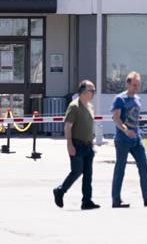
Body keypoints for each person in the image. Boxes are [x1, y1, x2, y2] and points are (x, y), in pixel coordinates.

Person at [110, 71, 147, 208]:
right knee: (120, 169)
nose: (136, 88)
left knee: (143, 166)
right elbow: (116, 118)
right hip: (122, 139)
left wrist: (135, 133)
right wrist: (125, 129)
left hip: (136, 139)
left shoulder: (138, 99)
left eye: (138, 85)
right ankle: (116, 199)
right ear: (127, 84)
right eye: (134, 85)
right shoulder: (120, 99)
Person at [53, 80, 99, 210]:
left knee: (88, 174)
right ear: (83, 92)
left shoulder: (90, 106)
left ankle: (87, 201)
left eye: (94, 91)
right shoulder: (74, 106)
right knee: (77, 171)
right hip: (77, 144)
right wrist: (69, 144)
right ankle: (60, 191)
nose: (93, 93)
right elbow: (68, 126)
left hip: (88, 145)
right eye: (91, 91)